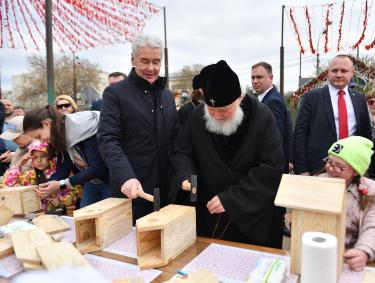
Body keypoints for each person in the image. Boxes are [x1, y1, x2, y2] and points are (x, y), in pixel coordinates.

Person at [170, 60, 285, 248]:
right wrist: (185, 176)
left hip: (250, 218)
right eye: (211, 110)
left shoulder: (262, 117)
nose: (216, 116)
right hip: (209, 215)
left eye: (224, 110)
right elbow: (182, 151)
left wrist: (232, 200)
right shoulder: (198, 116)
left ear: (239, 99)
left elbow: (272, 167)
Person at [97, 33, 179, 221]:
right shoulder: (115, 93)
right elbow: (108, 139)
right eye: (144, 61)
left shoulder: (167, 96)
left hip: (165, 192)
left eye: (156, 62)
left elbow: (176, 138)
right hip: (133, 192)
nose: (151, 68)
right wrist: (126, 176)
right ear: (132, 59)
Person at [293, 54, 372, 175]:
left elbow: (365, 135)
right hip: (319, 168)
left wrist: (364, 164)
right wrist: (302, 170)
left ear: (352, 73)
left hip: (352, 168)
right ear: (328, 73)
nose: (339, 74)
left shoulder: (360, 99)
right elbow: (300, 134)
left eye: (344, 71)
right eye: (334, 70)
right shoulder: (311, 98)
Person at [23, 106, 110, 207]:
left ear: (46, 124)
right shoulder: (59, 134)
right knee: (84, 219)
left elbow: (97, 168)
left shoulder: (86, 129)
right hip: (91, 182)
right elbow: (63, 169)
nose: (41, 141)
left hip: (110, 180)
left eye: (39, 136)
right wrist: (46, 187)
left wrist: (61, 184)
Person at [322, 136, 375, 271]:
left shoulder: (372, 191)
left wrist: (363, 252)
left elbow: (374, 227)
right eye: (329, 161)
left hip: (348, 260)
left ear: (356, 171)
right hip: (318, 254)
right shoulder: (317, 183)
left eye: (339, 166)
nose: (331, 169)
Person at [2, 140, 78, 214]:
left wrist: (60, 200)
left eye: (43, 156)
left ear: (51, 157)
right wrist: (19, 164)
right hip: (35, 216)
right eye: (35, 157)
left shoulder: (60, 174)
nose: (39, 160)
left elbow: (73, 192)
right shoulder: (30, 175)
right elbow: (9, 185)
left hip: (57, 215)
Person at [251, 61, 293, 173]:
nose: (255, 81)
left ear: (271, 78)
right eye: (253, 77)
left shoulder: (273, 101)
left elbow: (275, 137)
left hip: (271, 166)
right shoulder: (263, 99)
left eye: (259, 77)